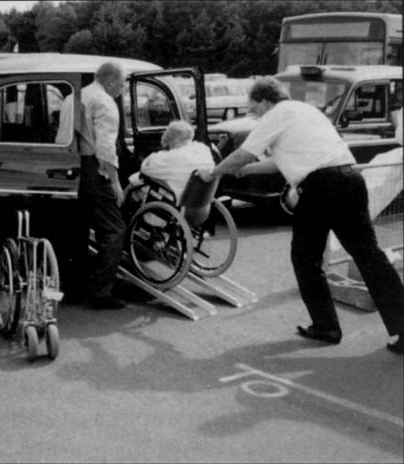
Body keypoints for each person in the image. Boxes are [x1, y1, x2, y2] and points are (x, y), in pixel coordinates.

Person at [201, 76, 404, 354]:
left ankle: (326, 326)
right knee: (370, 256)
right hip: (350, 179)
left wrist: (213, 171)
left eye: (254, 108)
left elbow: (244, 153)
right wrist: (246, 171)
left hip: (321, 187)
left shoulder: (276, 114)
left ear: (265, 101)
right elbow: (278, 161)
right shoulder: (306, 111)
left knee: (305, 258)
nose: (254, 115)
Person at [55, 62, 127, 309]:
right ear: (110, 82)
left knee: (76, 230)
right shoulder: (105, 102)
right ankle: (101, 291)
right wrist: (115, 182)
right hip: (93, 169)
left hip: (69, 166)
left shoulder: (72, 97)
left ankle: (73, 289)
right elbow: (106, 147)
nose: (123, 88)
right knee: (114, 230)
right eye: (122, 83)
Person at [126, 120, 215, 205]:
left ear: (172, 141)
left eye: (168, 145)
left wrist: (163, 153)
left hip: (175, 201)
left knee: (137, 184)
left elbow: (145, 168)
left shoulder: (173, 156)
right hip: (199, 204)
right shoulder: (203, 149)